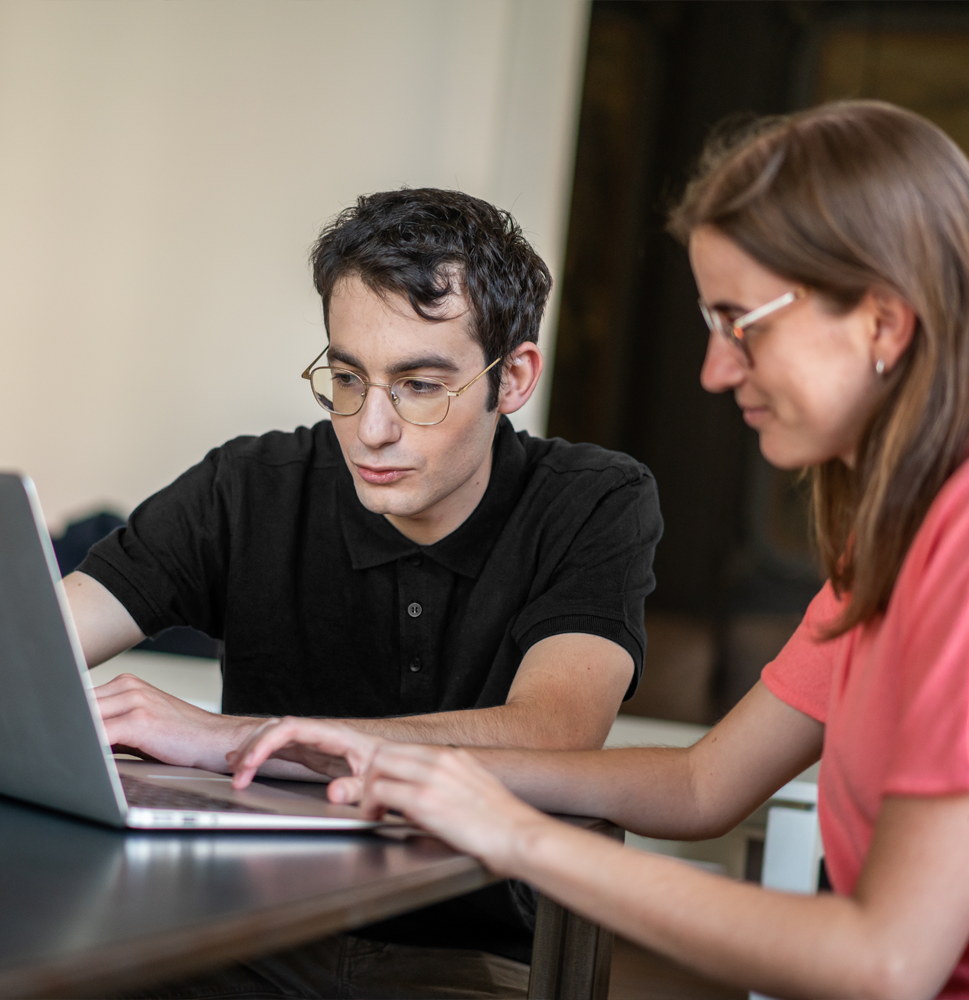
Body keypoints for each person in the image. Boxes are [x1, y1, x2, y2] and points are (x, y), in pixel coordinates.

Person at [229, 102, 969, 998]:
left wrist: (517, 836)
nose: (714, 371)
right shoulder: (894, 538)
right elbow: (703, 783)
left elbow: (888, 963)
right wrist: (376, 757)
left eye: (742, 323)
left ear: (883, 323)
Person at [62, 188, 663, 998]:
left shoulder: (593, 499)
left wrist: (237, 738)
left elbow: (553, 732)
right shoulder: (249, 485)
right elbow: (42, 643)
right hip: (238, 936)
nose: (370, 428)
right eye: (347, 376)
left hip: (467, 960)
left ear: (513, 378)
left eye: (419, 385)